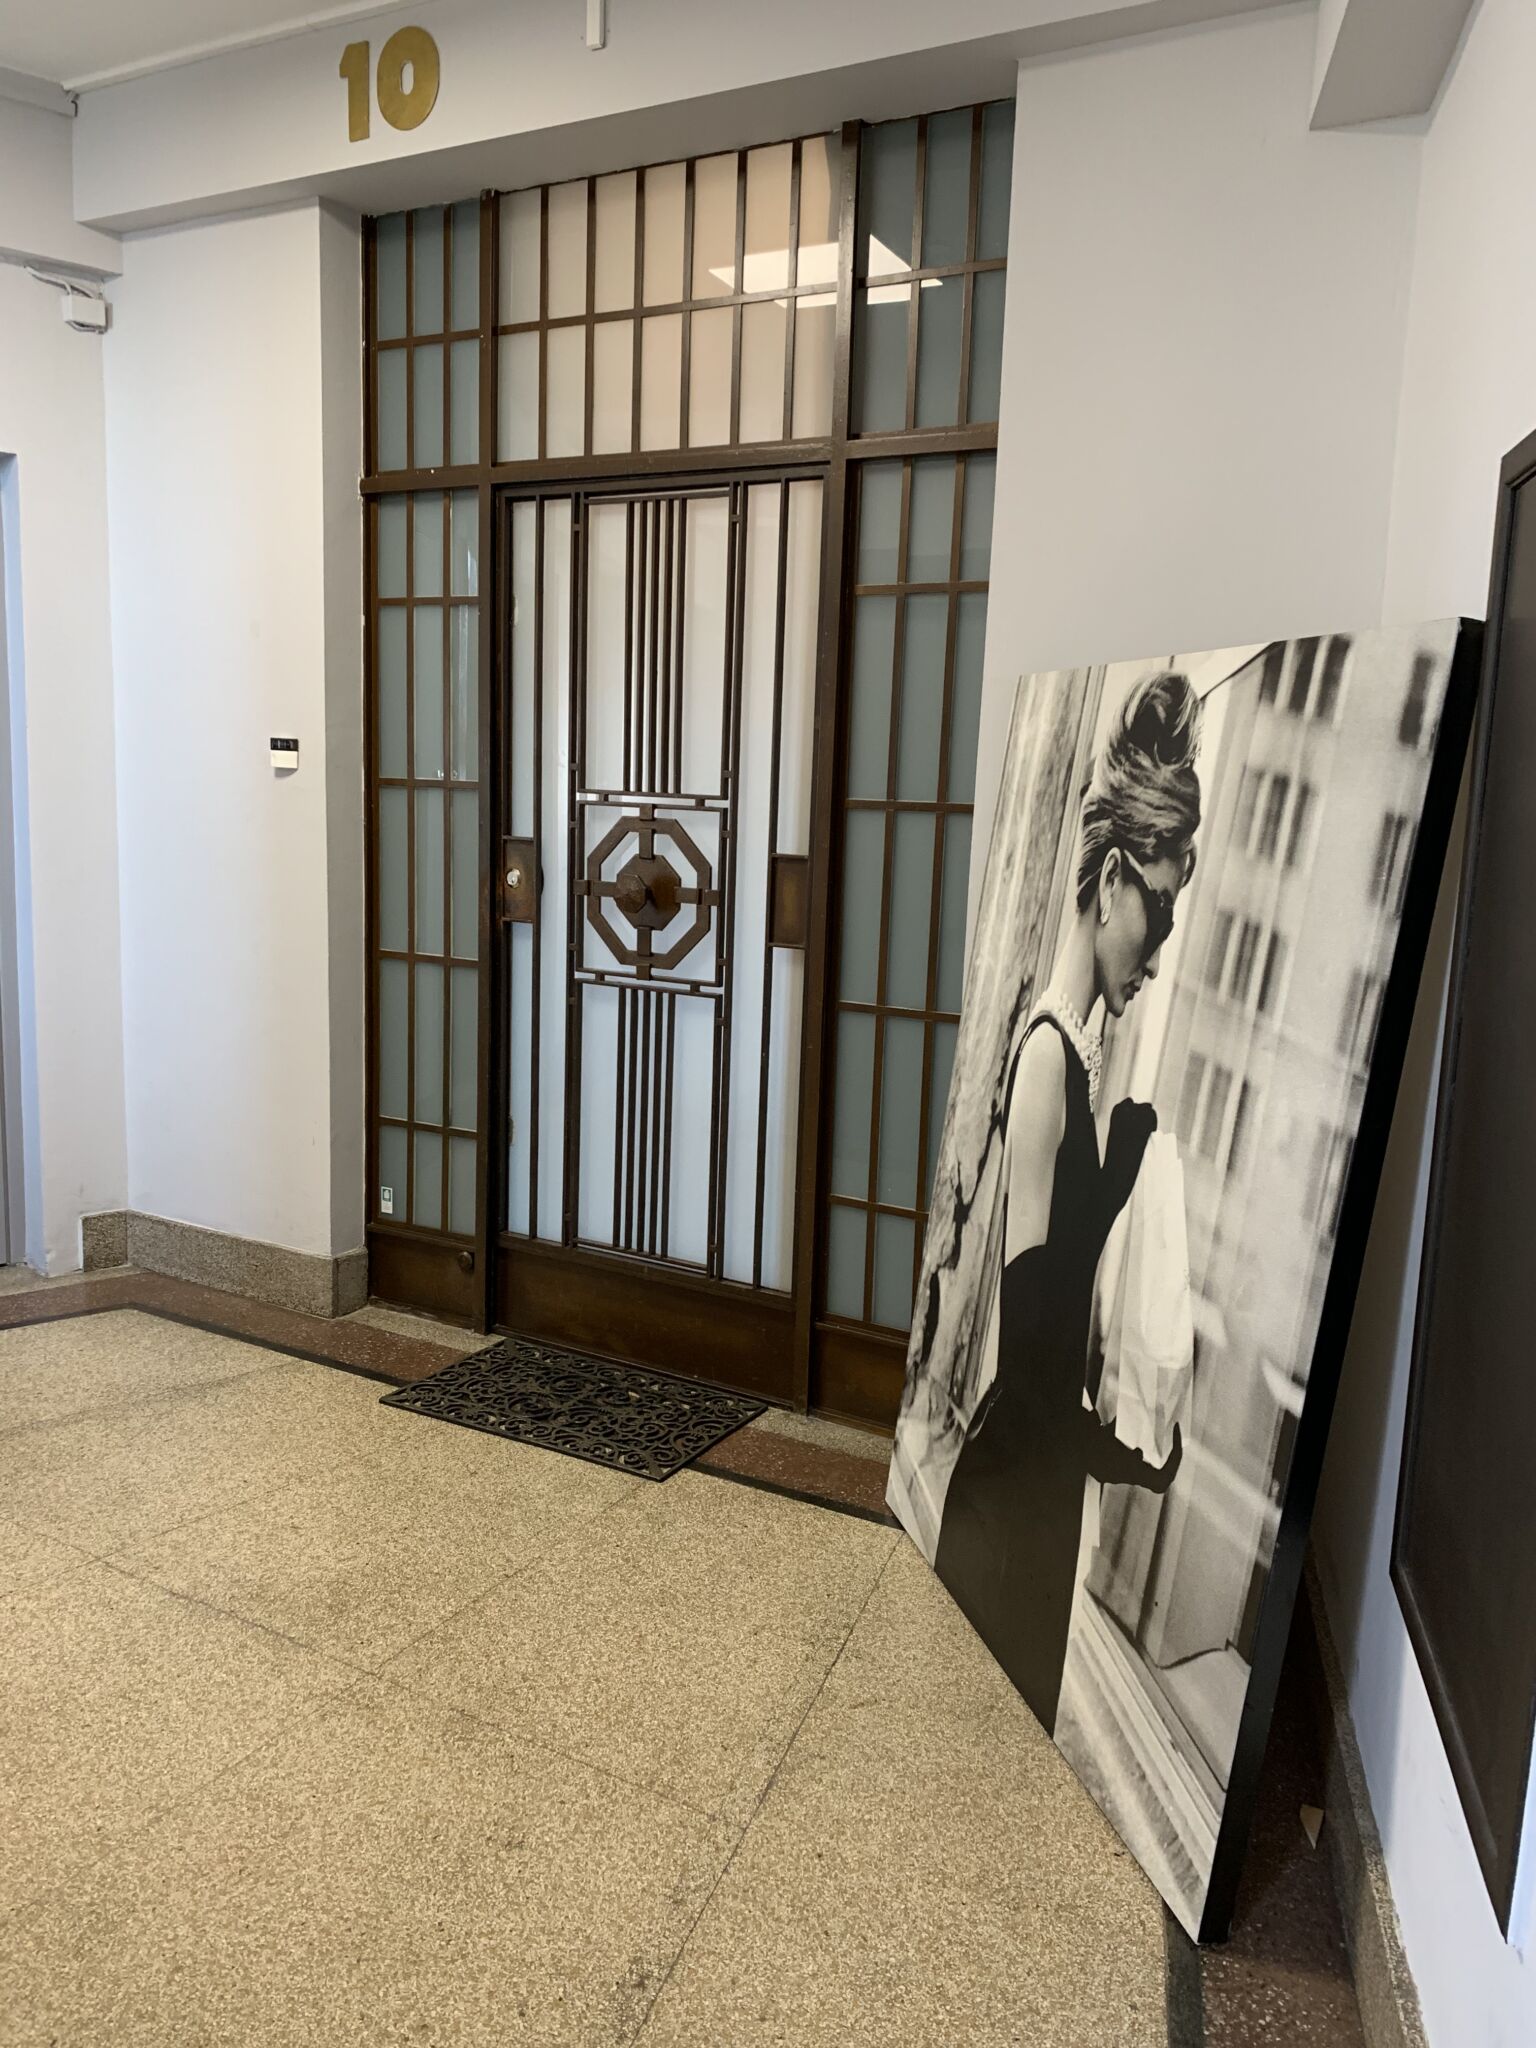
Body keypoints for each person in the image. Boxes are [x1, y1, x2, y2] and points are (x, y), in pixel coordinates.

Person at [933, 670, 1202, 1736]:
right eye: (1161, 908)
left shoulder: (1073, 1058)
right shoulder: (1049, 1054)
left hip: (1034, 1492)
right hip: (1013, 1499)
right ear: (1115, 880)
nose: (1161, 949)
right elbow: (1035, 1358)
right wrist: (1120, 1456)